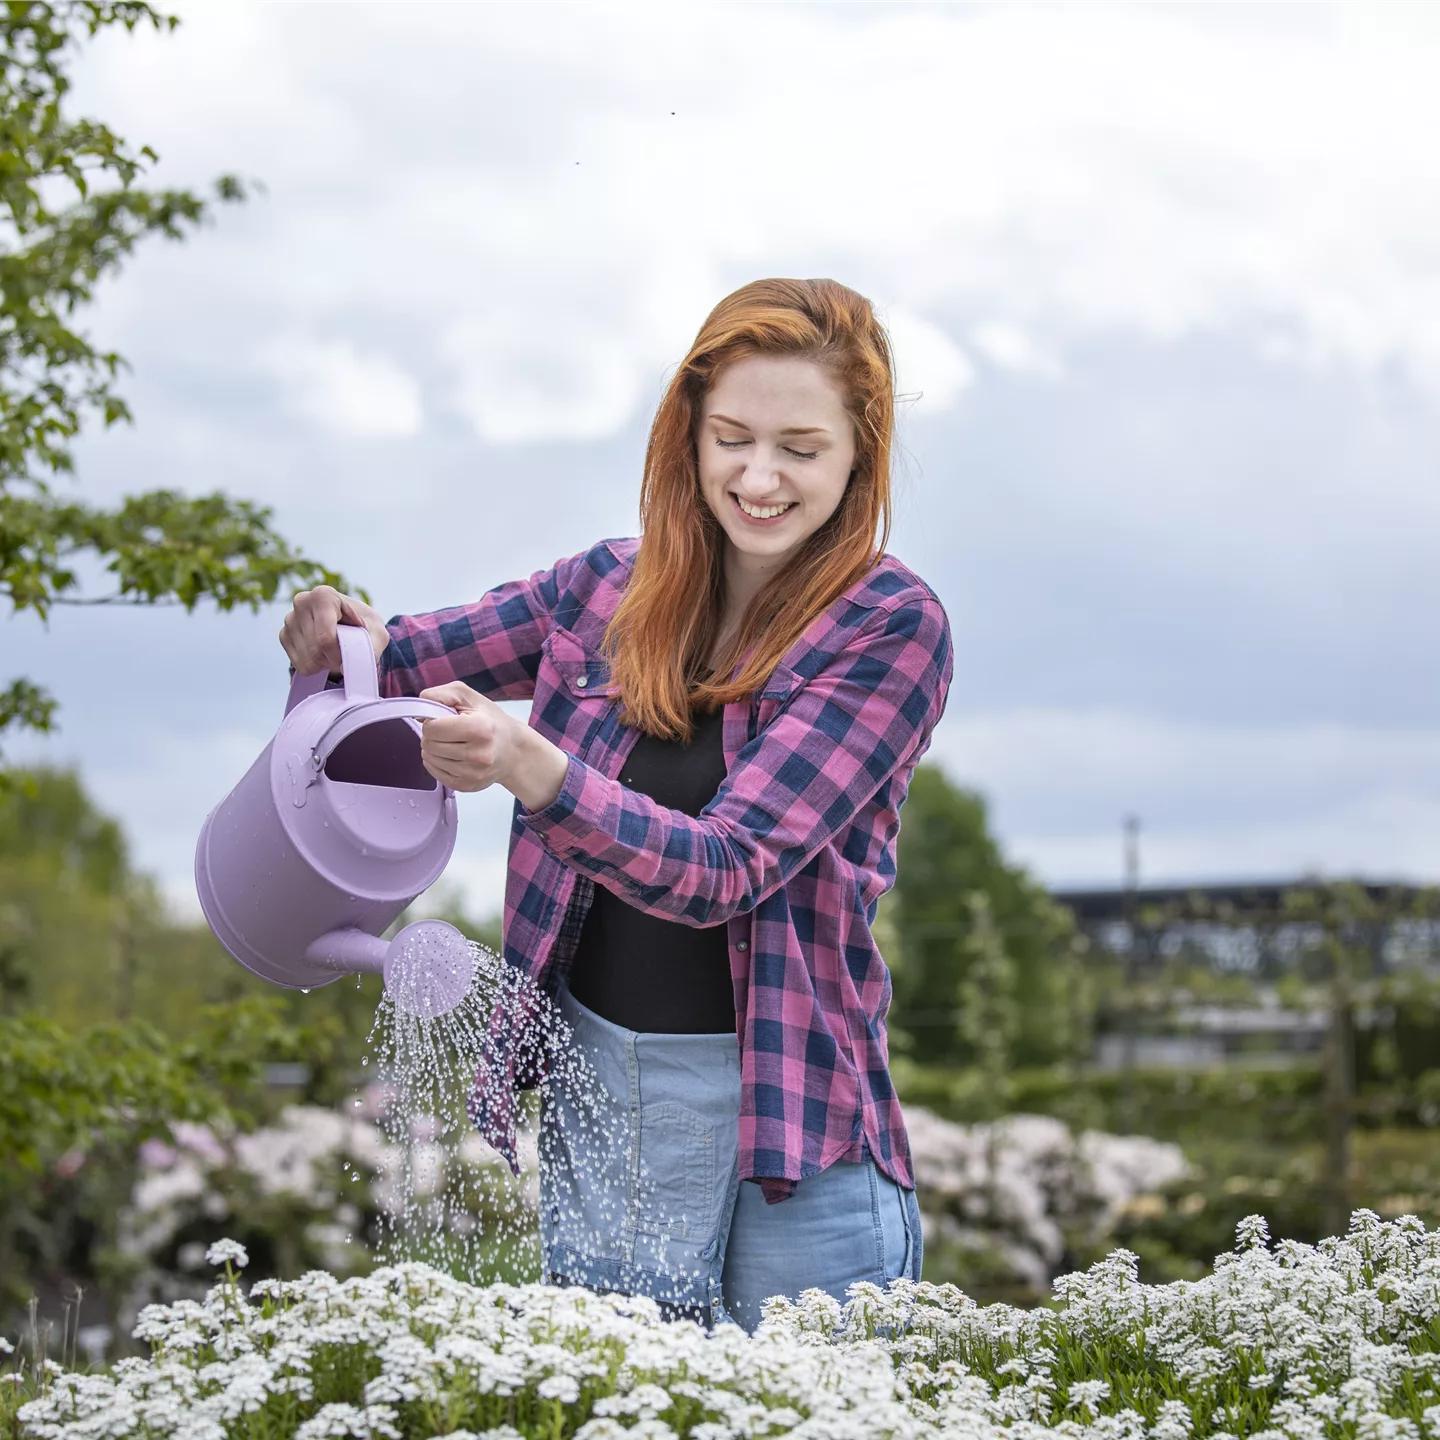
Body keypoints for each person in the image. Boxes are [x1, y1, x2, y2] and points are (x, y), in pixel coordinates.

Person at [279, 277, 953, 1330]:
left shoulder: (887, 627)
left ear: (860, 453)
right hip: (607, 1101)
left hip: (791, 1126)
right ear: (686, 433)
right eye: (731, 436)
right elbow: (390, 662)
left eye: (801, 448)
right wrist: (333, 629)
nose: (760, 476)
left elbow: (725, 868)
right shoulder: (599, 593)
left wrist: (530, 766)